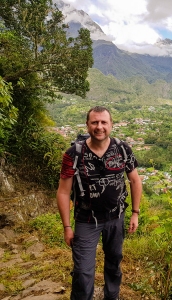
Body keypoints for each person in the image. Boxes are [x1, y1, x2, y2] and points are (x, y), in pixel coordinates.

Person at [56, 106, 142, 300]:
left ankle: (112, 297)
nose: (99, 127)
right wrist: (67, 226)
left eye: (104, 122)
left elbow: (135, 180)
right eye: (94, 122)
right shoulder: (74, 154)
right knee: (82, 271)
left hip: (116, 217)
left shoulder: (122, 148)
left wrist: (135, 213)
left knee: (113, 264)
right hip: (86, 220)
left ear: (111, 125)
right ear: (87, 125)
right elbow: (63, 191)